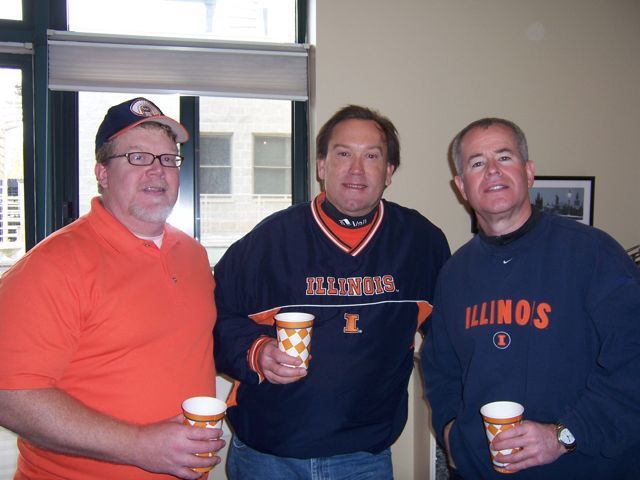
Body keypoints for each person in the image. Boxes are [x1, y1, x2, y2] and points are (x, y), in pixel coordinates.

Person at [213, 105, 450, 479]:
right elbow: (212, 320)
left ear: (389, 172)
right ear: (321, 166)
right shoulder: (268, 241)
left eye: (371, 156)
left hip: (364, 459)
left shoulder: (422, 244)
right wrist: (256, 351)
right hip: (268, 456)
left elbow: (451, 340)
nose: (356, 169)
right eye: (343, 154)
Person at [0, 97, 224, 479]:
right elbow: (10, 397)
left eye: (168, 158)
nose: (158, 170)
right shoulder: (51, 267)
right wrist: (137, 444)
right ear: (102, 173)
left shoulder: (193, 255)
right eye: (138, 157)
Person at [421, 117, 640, 479]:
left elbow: (633, 362)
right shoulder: (454, 274)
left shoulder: (593, 253)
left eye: (504, 157)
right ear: (461, 186)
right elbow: (441, 369)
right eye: (477, 163)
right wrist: (450, 434)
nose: (492, 170)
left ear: (528, 172)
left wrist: (565, 435)